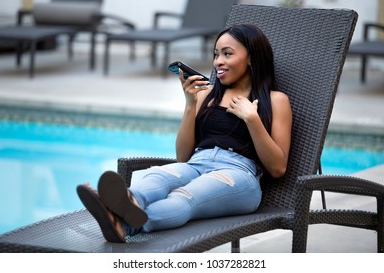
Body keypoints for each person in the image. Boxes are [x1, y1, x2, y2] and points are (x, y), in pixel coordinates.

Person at [76, 23, 292, 243]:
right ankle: (125, 204)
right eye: (216, 54)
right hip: (196, 164)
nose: (218, 61)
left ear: (252, 58)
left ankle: (123, 224)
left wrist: (252, 119)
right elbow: (183, 158)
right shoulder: (205, 95)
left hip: (239, 175)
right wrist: (190, 104)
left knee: (184, 197)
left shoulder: (276, 101)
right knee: (156, 176)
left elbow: (277, 168)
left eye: (228, 54)